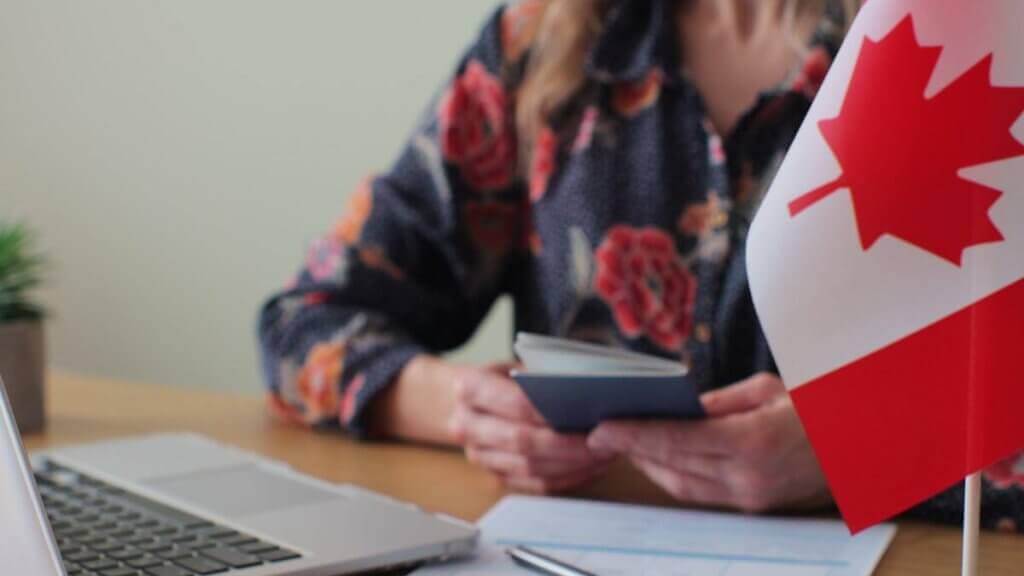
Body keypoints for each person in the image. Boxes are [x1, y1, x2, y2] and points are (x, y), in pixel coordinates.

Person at [258, 0, 1024, 531]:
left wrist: (853, 449)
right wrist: (463, 409)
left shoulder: (968, 45)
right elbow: (305, 321)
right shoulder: (544, 46)